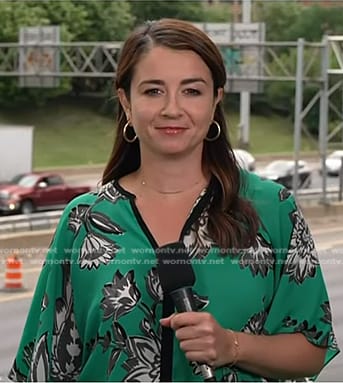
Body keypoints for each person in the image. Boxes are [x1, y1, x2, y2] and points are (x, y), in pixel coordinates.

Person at [9, 18, 339, 382]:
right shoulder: (84, 221)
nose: (172, 109)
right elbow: (44, 367)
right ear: (126, 102)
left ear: (216, 100)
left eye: (191, 91)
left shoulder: (272, 209)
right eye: (153, 91)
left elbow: (313, 349)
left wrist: (231, 345)